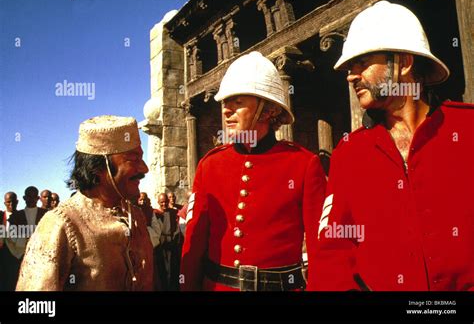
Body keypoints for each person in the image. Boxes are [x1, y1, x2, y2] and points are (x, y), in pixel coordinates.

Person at [312, 1, 474, 291]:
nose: (351, 75)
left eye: (362, 63)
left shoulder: (467, 130)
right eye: (350, 67)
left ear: (404, 62)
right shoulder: (349, 153)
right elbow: (332, 254)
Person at [180, 51, 327, 291]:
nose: (226, 110)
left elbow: (321, 250)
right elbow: (193, 246)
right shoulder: (210, 165)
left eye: (237, 102)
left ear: (268, 110)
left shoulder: (303, 164)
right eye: (225, 102)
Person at [16, 115, 153, 291]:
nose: (144, 168)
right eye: (132, 159)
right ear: (98, 168)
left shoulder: (136, 216)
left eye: (141, 158)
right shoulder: (61, 224)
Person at [0, 192, 22, 291]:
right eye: (8, 202)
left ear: (17, 202)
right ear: (4, 203)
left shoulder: (22, 216)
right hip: (3, 256)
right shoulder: (1, 216)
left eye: (13, 202)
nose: (11, 205)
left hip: (18, 257)